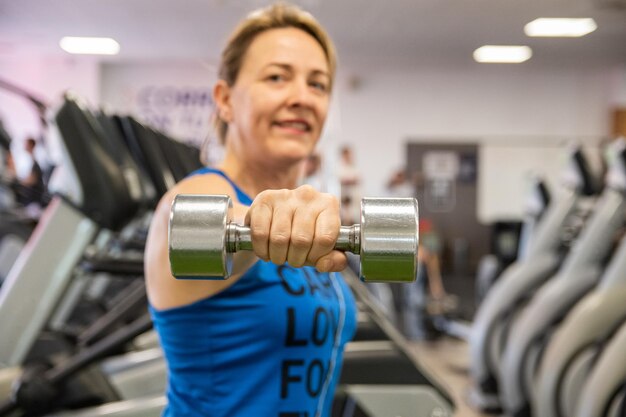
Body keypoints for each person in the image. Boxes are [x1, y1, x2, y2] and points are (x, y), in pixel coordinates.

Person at [144, 4, 357, 417]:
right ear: (225, 99)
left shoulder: (303, 216)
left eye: (318, 85)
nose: (301, 98)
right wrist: (261, 217)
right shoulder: (196, 198)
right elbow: (204, 221)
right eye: (277, 77)